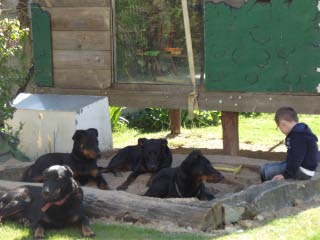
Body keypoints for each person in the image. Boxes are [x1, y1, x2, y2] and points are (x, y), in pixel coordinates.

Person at [260, 107, 318, 182]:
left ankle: (267, 189)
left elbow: (296, 159)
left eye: (279, 127)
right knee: (264, 167)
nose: (280, 130)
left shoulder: (298, 136)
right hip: (301, 167)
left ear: (283, 124)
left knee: (267, 171)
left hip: (303, 171)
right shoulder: (300, 131)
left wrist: (285, 175)